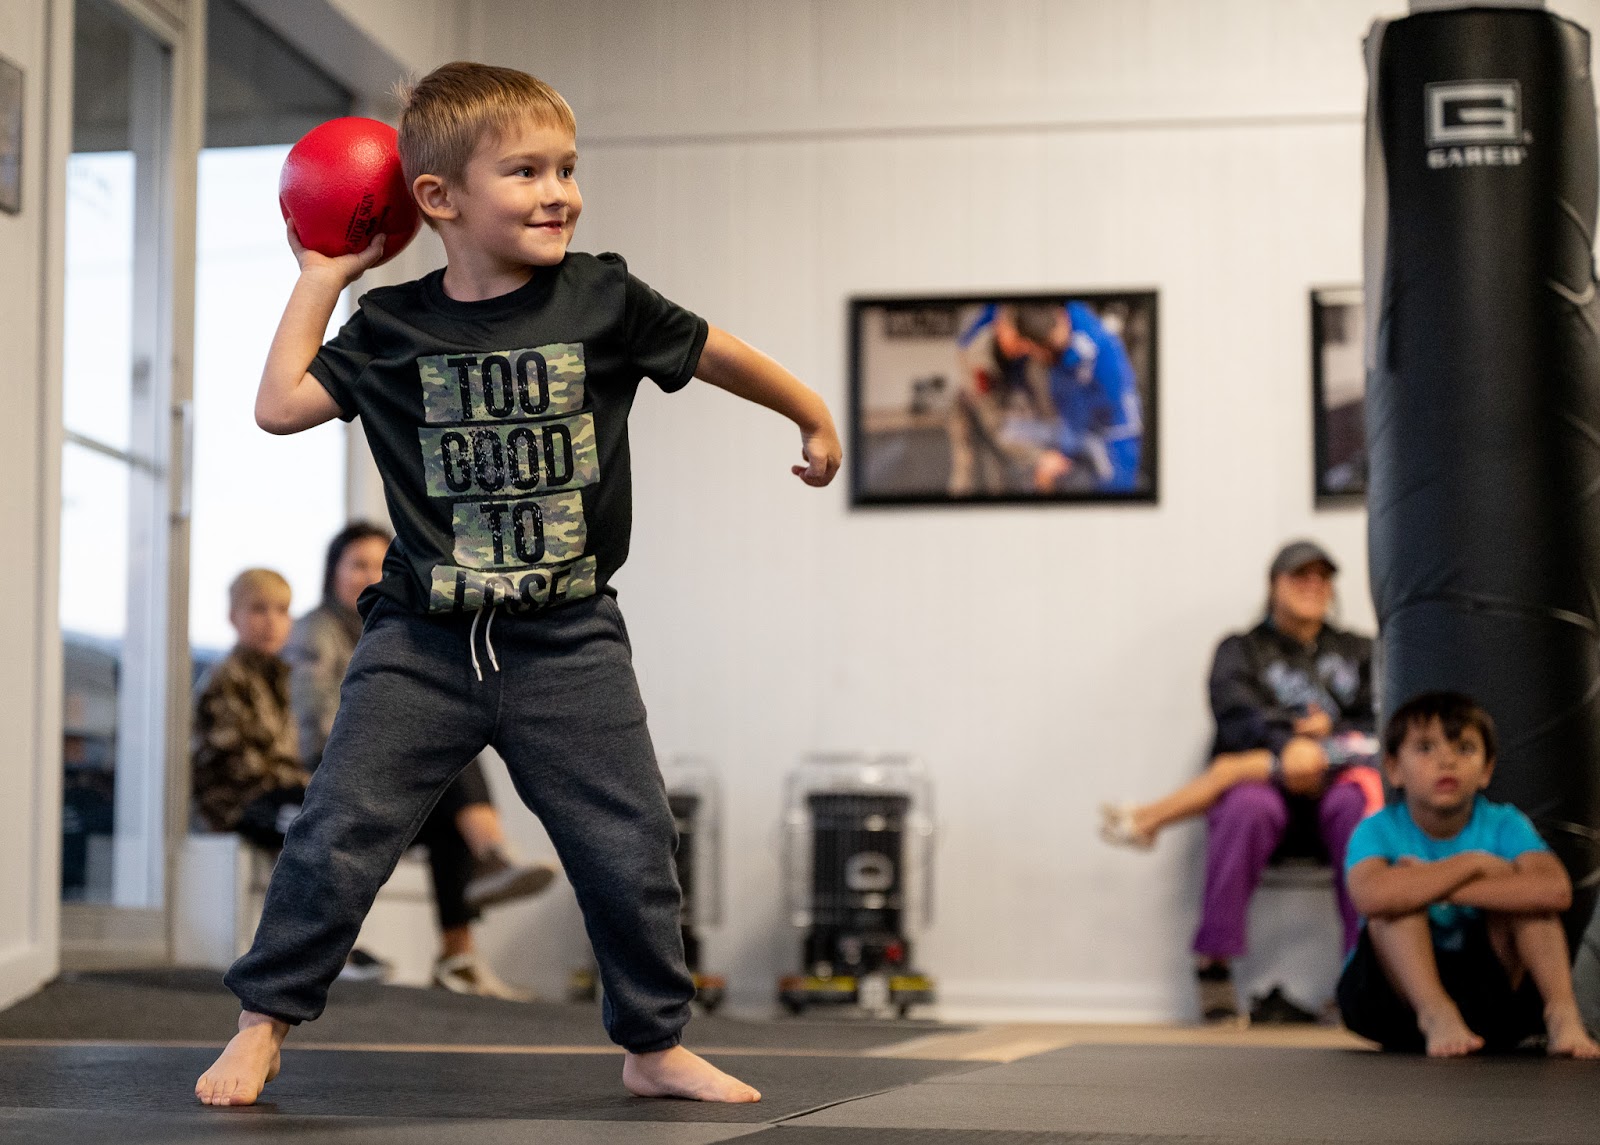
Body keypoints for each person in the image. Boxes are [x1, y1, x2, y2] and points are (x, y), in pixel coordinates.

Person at [196, 61, 841, 1107]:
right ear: (437, 199)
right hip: (422, 641)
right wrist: (325, 270)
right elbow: (278, 406)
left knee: (630, 845)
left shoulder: (603, 298)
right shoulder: (394, 328)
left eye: (567, 169)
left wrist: (809, 410)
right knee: (336, 831)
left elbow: (715, 353)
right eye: (527, 171)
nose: (559, 192)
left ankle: (652, 1041)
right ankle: (262, 1020)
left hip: (567, 639)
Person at [1102, 540, 1378, 1021]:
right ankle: (1214, 962)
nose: (1313, 586)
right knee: (1248, 803)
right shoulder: (1241, 650)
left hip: (1335, 787)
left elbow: (1381, 721)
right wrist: (1288, 742)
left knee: (1355, 806)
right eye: (1300, 576)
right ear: (1274, 585)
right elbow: (1236, 718)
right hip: (1267, 793)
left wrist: (1323, 745)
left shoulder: (1360, 650)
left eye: (1322, 578)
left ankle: (1365, 973)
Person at [286, 521, 556, 998]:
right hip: (323, 770)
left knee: (450, 769)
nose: (371, 575)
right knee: (443, 753)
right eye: (358, 565)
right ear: (333, 573)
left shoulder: (391, 630)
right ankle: (491, 853)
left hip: (378, 767)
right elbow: (313, 724)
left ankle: (459, 957)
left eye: (379, 564)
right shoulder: (317, 630)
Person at [1338, 691, 1600, 1059]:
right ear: (1394, 769)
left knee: (1532, 906)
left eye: (1463, 748)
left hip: (1486, 998)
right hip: (1392, 1001)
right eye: (1426, 748)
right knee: (1395, 904)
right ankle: (1436, 1012)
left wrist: (1434, 885)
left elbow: (1555, 891)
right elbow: (1370, 896)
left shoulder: (1504, 822)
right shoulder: (1377, 830)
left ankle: (1561, 1014)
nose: (1446, 760)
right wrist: (1476, 864)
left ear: (1487, 770)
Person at [192, 569, 310, 851]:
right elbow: (238, 764)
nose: (271, 621)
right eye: (259, 609)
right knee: (314, 825)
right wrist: (304, 786)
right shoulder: (227, 677)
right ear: (233, 616)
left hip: (273, 796)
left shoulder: (279, 678)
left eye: (282, 611)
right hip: (236, 804)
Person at [1010, 301, 1143, 494]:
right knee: (1013, 432)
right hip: (1077, 426)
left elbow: (1110, 401)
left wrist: (1062, 452)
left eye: (1043, 349)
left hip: (1111, 432)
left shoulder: (1091, 348)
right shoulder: (1065, 325)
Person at [946, 304, 1061, 497]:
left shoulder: (1026, 345)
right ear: (1000, 327)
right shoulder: (978, 359)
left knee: (999, 474)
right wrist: (1040, 457)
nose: (1026, 347)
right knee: (964, 471)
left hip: (1003, 397)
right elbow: (996, 426)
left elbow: (1042, 399)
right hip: (970, 408)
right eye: (1018, 339)